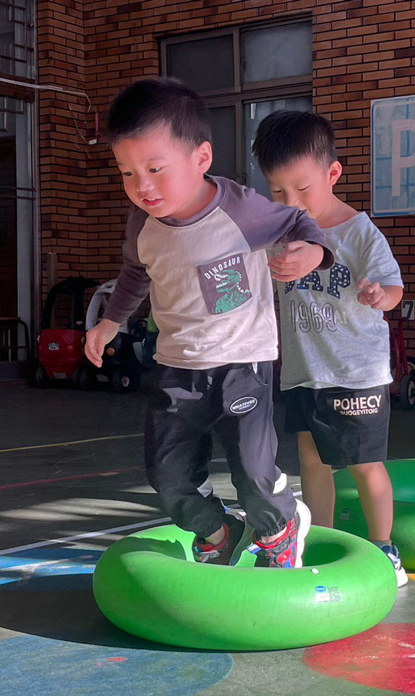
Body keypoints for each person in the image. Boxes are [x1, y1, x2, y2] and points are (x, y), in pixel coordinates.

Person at [85, 78, 333, 569]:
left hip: (243, 362)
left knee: (252, 470)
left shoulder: (241, 209)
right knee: (168, 474)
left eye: (155, 169)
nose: (142, 186)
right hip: (176, 368)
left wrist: (313, 252)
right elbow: (136, 271)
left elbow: (297, 222)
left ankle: (281, 526)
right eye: (128, 172)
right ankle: (219, 532)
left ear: (201, 158)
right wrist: (111, 321)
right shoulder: (142, 221)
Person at [251, 110, 408, 587]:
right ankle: (321, 539)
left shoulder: (359, 232)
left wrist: (380, 296)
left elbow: (394, 288)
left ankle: (385, 549)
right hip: (305, 372)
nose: (291, 202)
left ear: (332, 173)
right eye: (278, 192)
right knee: (312, 462)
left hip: (356, 373)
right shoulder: (280, 233)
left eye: (302, 189)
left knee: (364, 464)